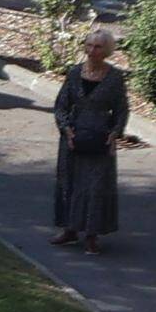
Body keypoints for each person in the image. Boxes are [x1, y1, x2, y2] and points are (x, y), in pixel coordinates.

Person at [49, 28, 129, 246]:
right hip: (74, 135)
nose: (92, 51)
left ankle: (92, 233)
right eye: (89, 45)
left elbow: (122, 109)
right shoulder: (75, 73)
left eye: (98, 47)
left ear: (107, 51)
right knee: (70, 182)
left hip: (99, 137)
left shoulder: (114, 78)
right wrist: (66, 128)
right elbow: (61, 105)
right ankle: (69, 229)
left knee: (95, 186)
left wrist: (115, 133)